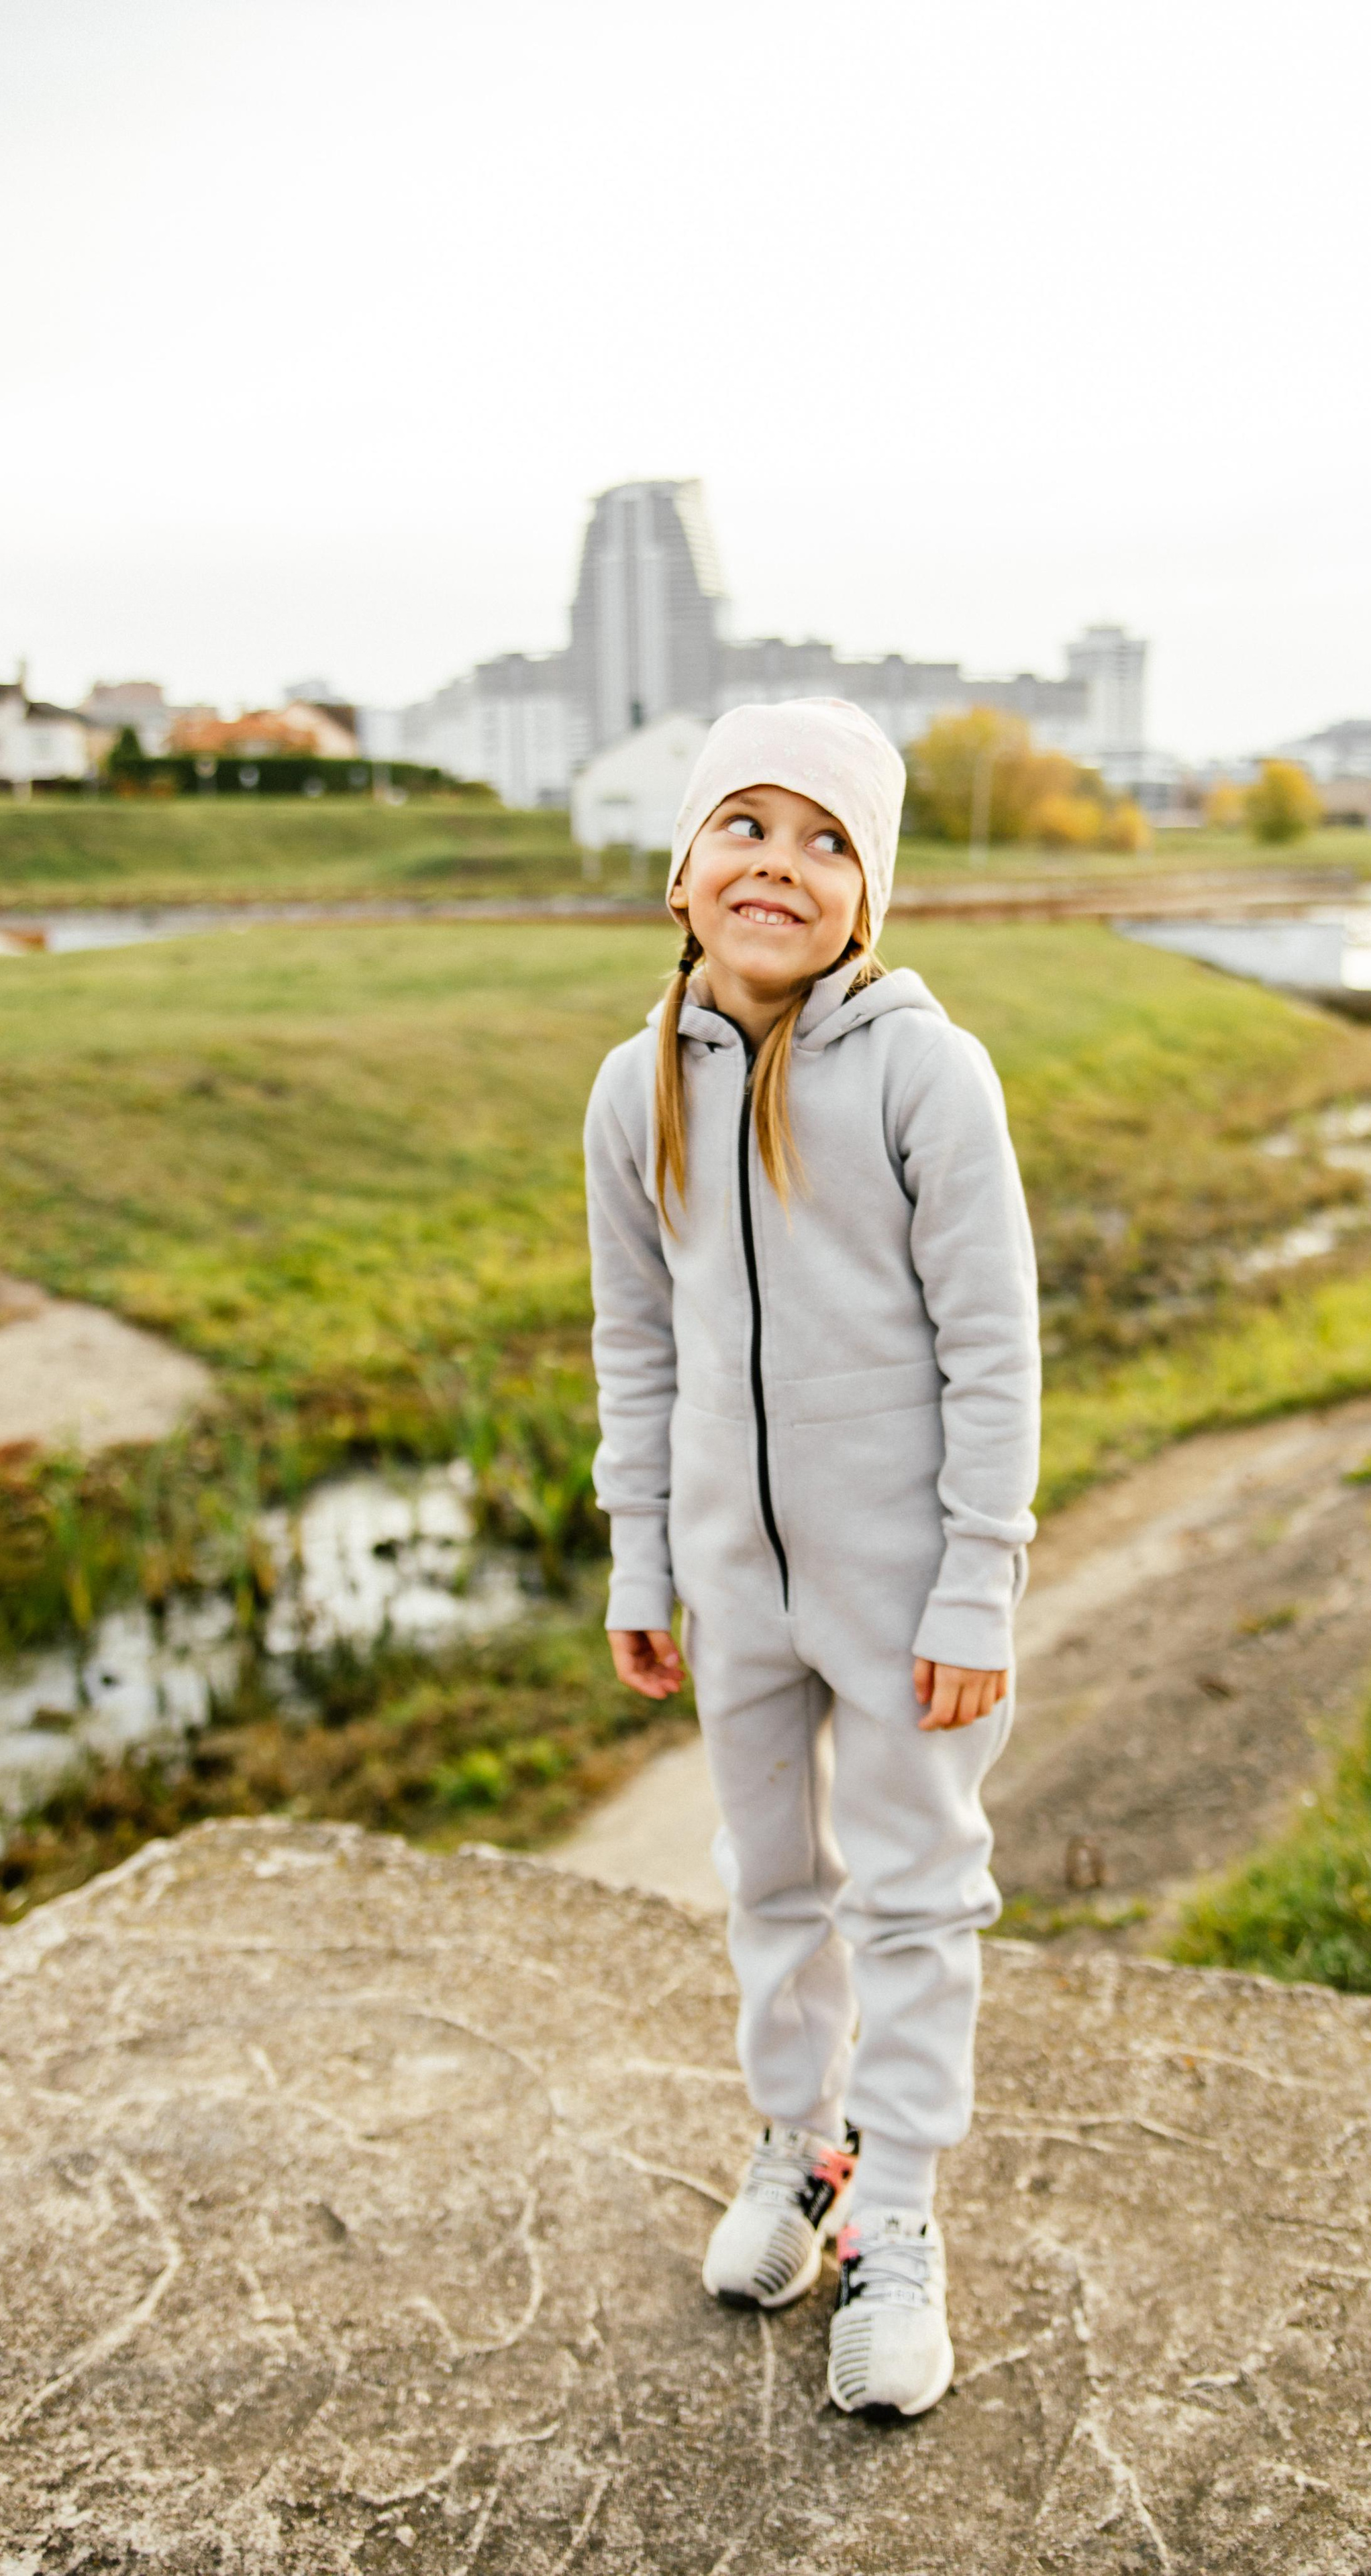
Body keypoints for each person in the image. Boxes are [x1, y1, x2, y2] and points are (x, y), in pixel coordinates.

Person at [583, 698, 1040, 2418]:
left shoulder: (927, 1070)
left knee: (919, 1896)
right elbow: (637, 1345)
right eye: (746, 827)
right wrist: (646, 1560)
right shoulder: (635, 1091)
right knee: (770, 1880)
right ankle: (803, 2147)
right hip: (736, 1584)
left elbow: (994, 1351)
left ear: (872, 893)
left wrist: (976, 1581)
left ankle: (904, 2220)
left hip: (908, 1586)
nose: (781, 864)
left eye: (828, 838)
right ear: (687, 866)